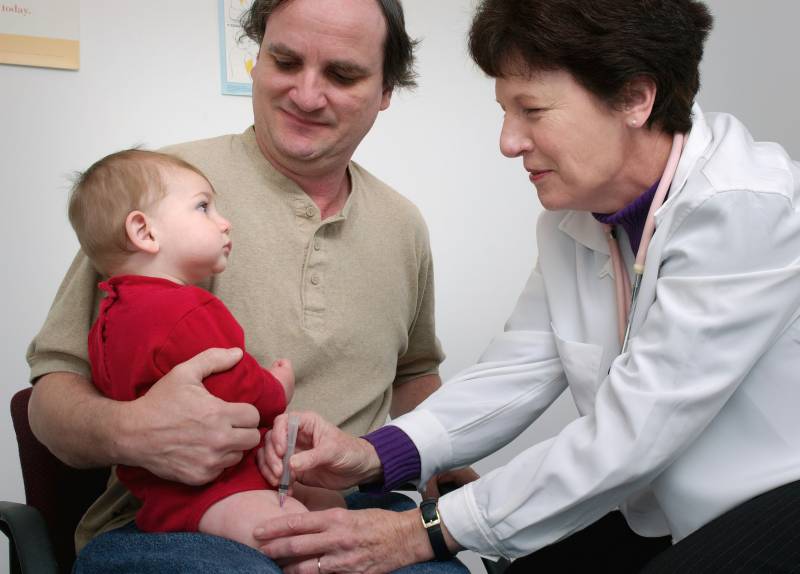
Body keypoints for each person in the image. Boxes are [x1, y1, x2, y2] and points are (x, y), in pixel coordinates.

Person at [254, 1, 800, 572]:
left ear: (637, 99)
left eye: (532, 110)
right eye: (505, 111)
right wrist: (371, 456)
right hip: (661, 509)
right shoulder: (576, 220)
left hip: (778, 502)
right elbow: (512, 375)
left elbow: (634, 431)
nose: (508, 141)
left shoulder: (741, 207)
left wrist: (425, 531)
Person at [26, 0, 468, 572]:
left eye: (342, 74)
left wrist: (447, 458)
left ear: (387, 89)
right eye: (284, 61)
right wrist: (129, 430)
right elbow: (49, 397)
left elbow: (413, 376)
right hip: (169, 526)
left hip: (342, 510)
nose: (306, 96)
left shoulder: (403, 225)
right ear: (256, 60)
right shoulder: (161, 192)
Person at [68, 148, 347, 548]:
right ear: (145, 232)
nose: (224, 222)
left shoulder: (108, 320)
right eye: (204, 208)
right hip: (220, 490)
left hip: (160, 498)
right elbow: (237, 389)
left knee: (328, 503)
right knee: (298, 533)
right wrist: (275, 386)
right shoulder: (190, 308)